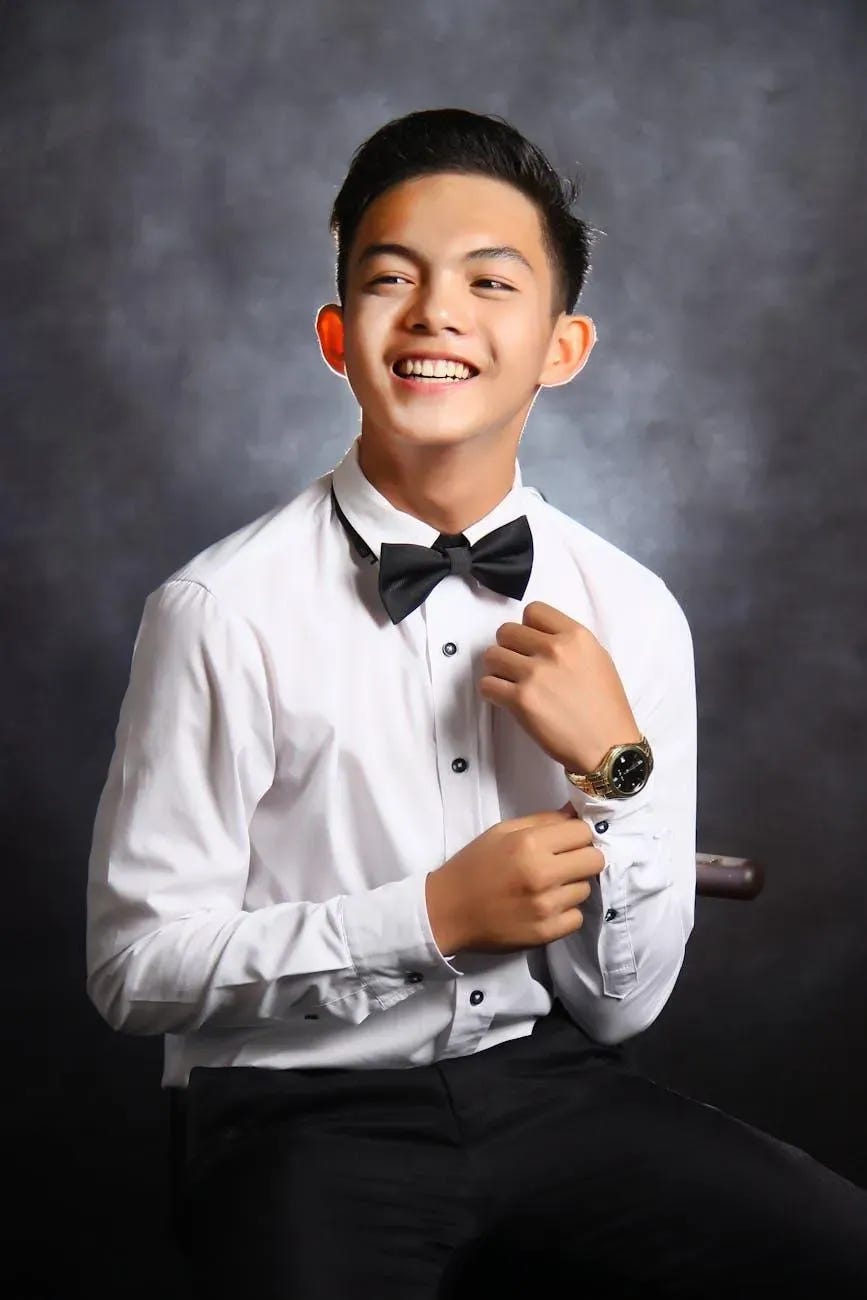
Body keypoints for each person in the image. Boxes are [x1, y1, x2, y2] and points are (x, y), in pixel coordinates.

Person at [86, 107, 867, 1299]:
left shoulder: (636, 611)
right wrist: (433, 916)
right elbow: (135, 967)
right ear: (338, 335)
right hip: (294, 1117)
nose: (438, 312)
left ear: (564, 346)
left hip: (548, 1085)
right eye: (393, 279)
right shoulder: (217, 609)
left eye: (489, 281)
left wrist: (618, 770)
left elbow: (620, 1010)